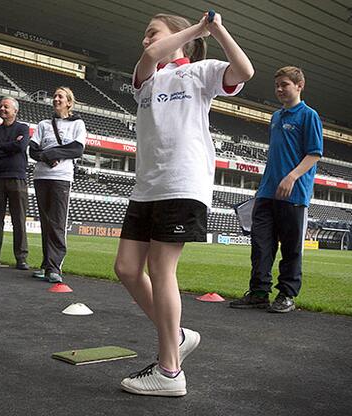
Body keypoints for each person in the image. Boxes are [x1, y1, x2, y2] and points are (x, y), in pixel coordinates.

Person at [114, 12, 254, 396]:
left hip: (183, 181)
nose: (146, 40)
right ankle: (176, 335)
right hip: (146, 186)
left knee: (161, 270)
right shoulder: (146, 78)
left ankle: (169, 371)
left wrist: (216, 29)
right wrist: (198, 28)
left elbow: (245, 71)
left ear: (180, 40)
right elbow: (150, 56)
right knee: (126, 268)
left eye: (152, 32)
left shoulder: (200, 72)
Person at [230, 66, 323, 313]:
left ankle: (286, 295)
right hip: (266, 193)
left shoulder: (309, 115)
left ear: (299, 86)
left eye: (285, 84)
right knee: (261, 245)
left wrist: (291, 177)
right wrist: (264, 186)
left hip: (294, 193)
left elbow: (314, 154)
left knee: (291, 247)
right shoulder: (276, 117)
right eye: (277, 85)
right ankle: (259, 293)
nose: (279, 89)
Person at [29, 87, 86, 283]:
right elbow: (33, 150)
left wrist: (51, 153)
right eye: (54, 96)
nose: (56, 99)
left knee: (57, 223)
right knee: (46, 223)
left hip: (61, 177)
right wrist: (47, 157)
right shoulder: (43, 124)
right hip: (41, 176)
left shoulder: (77, 123)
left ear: (69, 102)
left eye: (60, 96)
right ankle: (47, 265)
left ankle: (55, 267)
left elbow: (77, 149)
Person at [0, 97, 30, 270]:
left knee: (19, 220)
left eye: (6, 106)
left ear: (15, 111)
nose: (2, 109)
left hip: (17, 178)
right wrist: (10, 147)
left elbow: (21, 147)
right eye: (1, 106)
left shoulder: (23, 128)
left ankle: (21, 259)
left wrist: (0, 146)